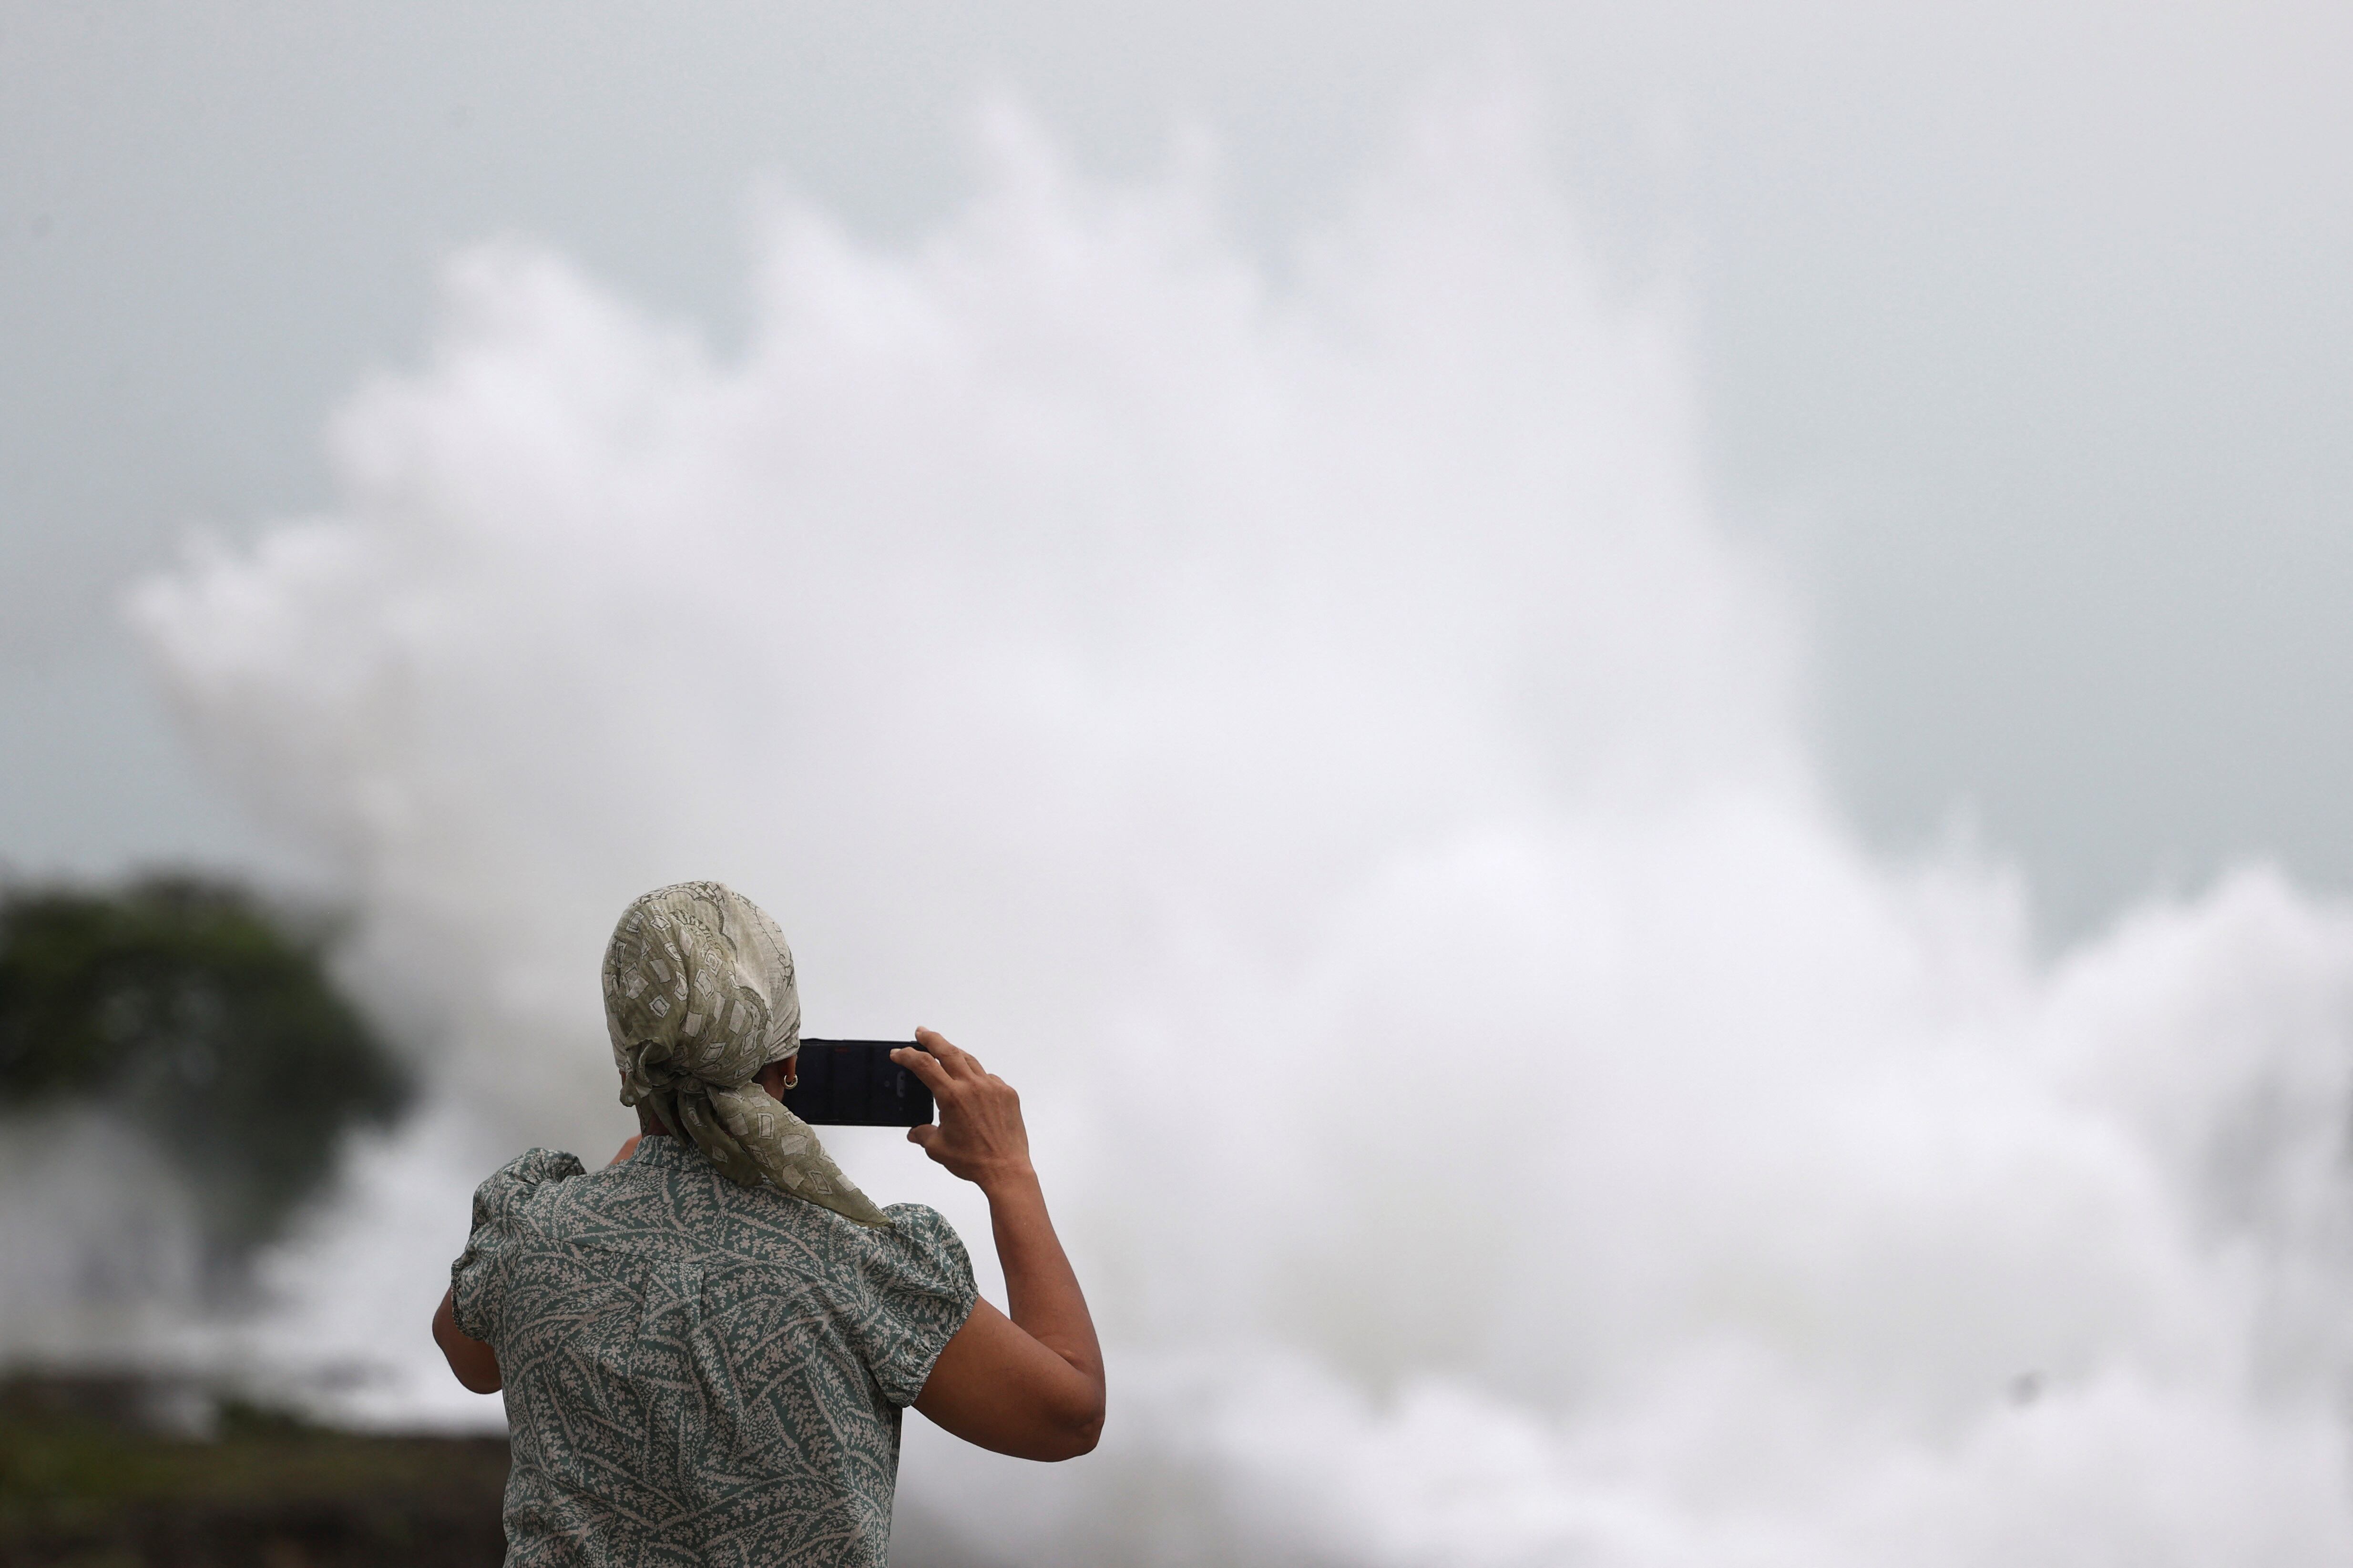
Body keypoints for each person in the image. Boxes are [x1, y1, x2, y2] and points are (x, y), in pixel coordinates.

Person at [430, 882, 1104, 1566]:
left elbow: (469, 1356)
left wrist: (615, 1186)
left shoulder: (530, 1231)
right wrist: (1008, 1173)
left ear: (628, 1059)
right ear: (788, 1061)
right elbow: (1069, 1415)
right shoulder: (860, 1260)